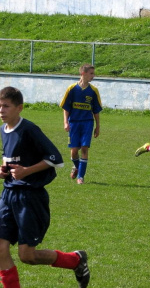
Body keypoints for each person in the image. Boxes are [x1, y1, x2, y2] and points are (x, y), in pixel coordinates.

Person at [0, 86, 90, 288]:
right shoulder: (3, 130)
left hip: (30, 198)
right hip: (8, 195)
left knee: (27, 256)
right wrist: (4, 170)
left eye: (6, 106)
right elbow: (14, 158)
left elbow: (55, 159)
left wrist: (26, 171)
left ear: (19, 108)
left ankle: (76, 260)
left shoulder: (29, 129)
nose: (1, 110)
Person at [60, 64, 102, 185]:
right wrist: (65, 122)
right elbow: (66, 108)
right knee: (74, 151)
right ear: (83, 73)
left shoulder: (94, 91)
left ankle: (80, 177)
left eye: (93, 74)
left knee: (84, 148)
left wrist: (98, 126)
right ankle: (77, 167)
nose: (93, 76)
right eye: (91, 73)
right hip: (74, 123)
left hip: (87, 123)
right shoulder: (72, 89)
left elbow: (96, 110)